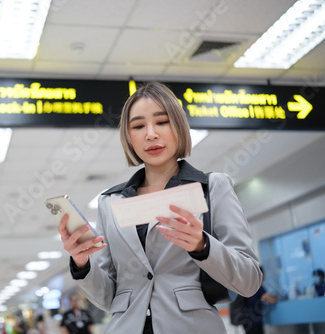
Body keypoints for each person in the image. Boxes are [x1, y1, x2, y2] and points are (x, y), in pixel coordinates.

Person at [57, 81, 263, 334]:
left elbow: (250, 281)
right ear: (129, 137)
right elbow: (109, 298)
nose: (151, 134)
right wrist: (81, 264)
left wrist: (203, 246)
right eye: (138, 126)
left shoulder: (212, 188)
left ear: (178, 126)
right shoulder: (110, 202)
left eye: (162, 122)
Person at [230, 266, 278, 334]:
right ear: (261, 275)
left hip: (247, 322)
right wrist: (276, 298)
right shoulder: (257, 286)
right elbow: (271, 300)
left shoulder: (249, 285)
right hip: (254, 322)